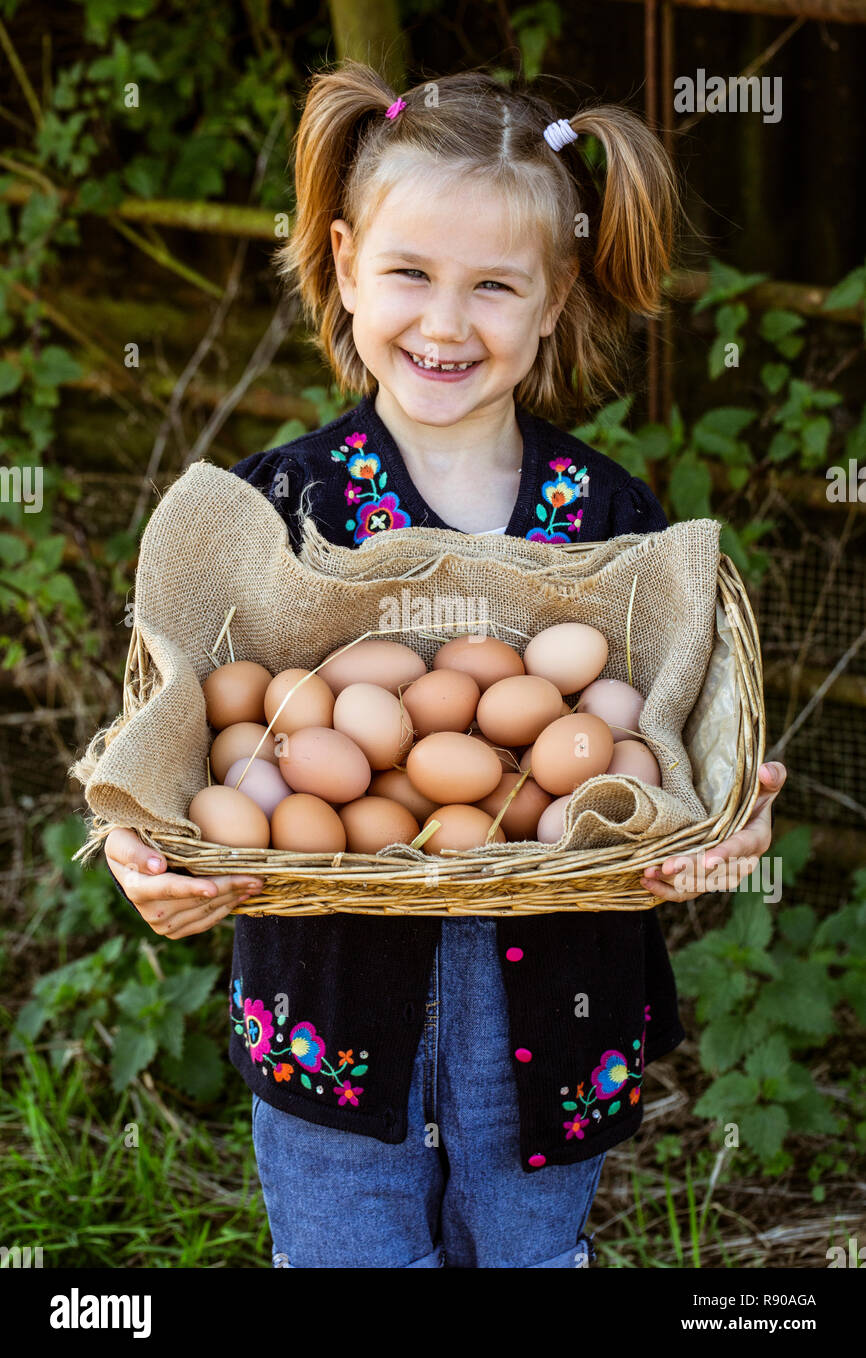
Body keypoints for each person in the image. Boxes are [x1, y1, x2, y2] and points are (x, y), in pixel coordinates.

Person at [104, 62, 787, 1268]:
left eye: (492, 286)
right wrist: (145, 849)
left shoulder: (607, 520)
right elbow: (184, 723)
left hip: (551, 1026)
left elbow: (654, 733)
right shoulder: (279, 509)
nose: (445, 321)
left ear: (554, 293)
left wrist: (706, 823)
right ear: (345, 256)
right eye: (410, 273)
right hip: (330, 1025)